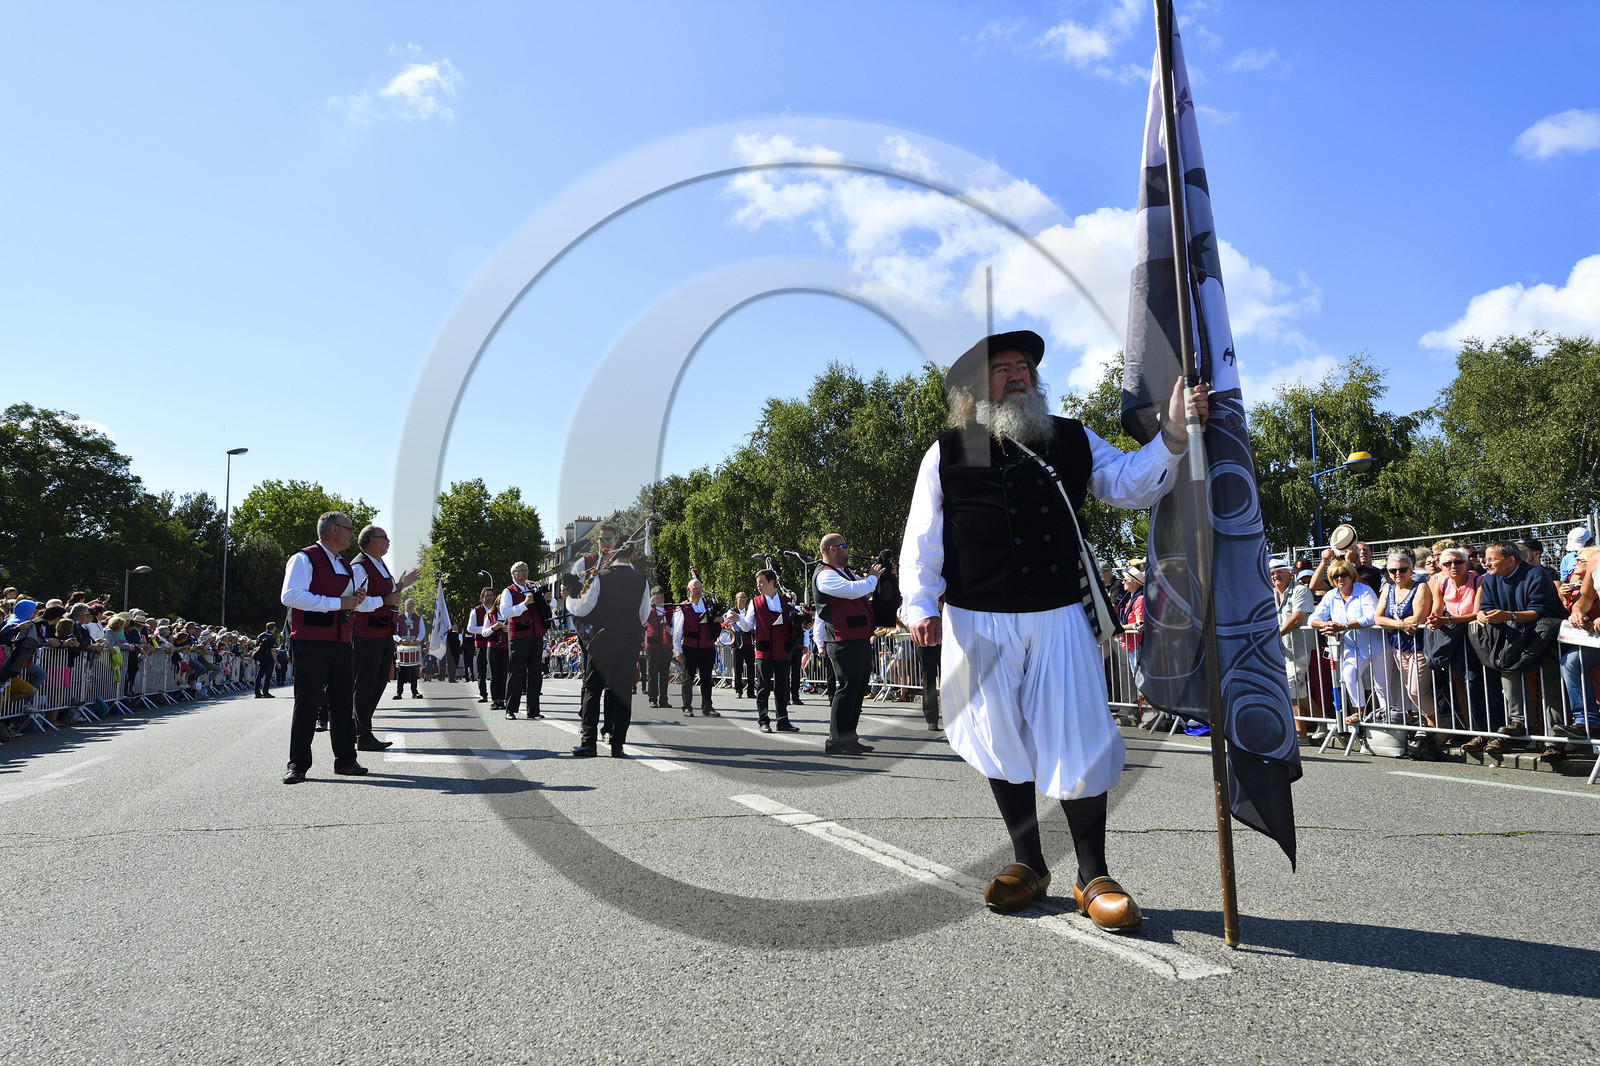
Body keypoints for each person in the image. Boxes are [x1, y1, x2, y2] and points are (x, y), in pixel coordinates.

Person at [899, 329, 1208, 930]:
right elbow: (922, 536)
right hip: (976, 617)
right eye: (1002, 368)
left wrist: (1173, 433)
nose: (1017, 374)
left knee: (1079, 734)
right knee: (998, 738)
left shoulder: (1070, 437)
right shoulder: (945, 451)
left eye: (1023, 366)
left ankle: (1093, 875)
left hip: (1059, 611)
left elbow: (1130, 483)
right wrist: (919, 606)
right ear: (975, 389)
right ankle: (1028, 863)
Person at [280, 511, 369, 784]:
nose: (353, 534)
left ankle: (346, 760)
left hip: (341, 641)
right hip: (310, 640)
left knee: (342, 703)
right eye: (349, 529)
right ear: (333, 530)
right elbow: (290, 596)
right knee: (307, 702)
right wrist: (338, 603)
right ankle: (298, 764)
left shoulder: (344, 564)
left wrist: (356, 599)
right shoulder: (304, 558)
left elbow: (346, 602)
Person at [1469, 541, 1565, 759]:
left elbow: (1541, 611)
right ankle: (1518, 723)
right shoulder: (1489, 579)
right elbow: (1486, 607)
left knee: (1550, 687)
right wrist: (1483, 615)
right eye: (1485, 559)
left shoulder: (1537, 574)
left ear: (1511, 559)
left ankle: (1555, 742)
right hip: (1514, 637)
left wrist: (1509, 615)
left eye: (1492, 559)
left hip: (1544, 638)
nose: (1486, 563)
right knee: (1508, 670)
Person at [563, 542, 650, 757]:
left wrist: (569, 597)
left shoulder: (600, 576)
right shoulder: (642, 579)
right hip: (629, 638)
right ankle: (617, 744)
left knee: (593, 689)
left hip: (604, 637)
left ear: (612, 554)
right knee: (622, 691)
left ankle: (588, 743)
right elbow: (643, 614)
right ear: (632, 554)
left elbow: (584, 607)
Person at [814, 533, 883, 755]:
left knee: (857, 689)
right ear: (832, 549)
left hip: (857, 637)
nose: (848, 549)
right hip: (842, 639)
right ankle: (835, 741)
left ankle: (850, 738)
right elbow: (853, 591)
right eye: (844, 545)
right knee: (846, 688)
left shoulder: (844, 571)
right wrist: (872, 578)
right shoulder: (825, 575)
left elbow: (860, 592)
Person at [351, 525, 420, 745]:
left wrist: (402, 585)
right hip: (365, 634)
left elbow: (389, 595)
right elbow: (357, 603)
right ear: (372, 540)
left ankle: (359, 728)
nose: (388, 541)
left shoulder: (379, 564)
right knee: (365, 684)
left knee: (379, 682)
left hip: (382, 633)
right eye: (384, 538)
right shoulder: (359, 567)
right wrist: (384, 600)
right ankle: (362, 734)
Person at [1371, 549, 1437, 750]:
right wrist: (1400, 624)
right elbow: (1377, 618)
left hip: (1419, 646)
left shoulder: (1421, 587)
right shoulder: (1388, 590)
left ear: (1411, 570)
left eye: (1402, 569)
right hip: (1398, 647)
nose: (1397, 573)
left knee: (1417, 691)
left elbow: (1418, 618)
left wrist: (1391, 623)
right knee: (1410, 691)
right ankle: (1431, 727)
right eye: (1393, 570)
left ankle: (1437, 727)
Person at [1309, 560, 1382, 725]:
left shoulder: (1365, 590)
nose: (1339, 579)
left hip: (1377, 645)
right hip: (1352, 646)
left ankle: (1390, 722)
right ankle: (1360, 713)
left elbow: (1371, 617)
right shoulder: (1331, 595)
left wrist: (1344, 626)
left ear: (1351, 576)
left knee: (1382, 686)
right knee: (1349, 674)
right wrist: (1325, 624)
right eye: (1335, 576)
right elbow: (1313, 618)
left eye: (1343, 574)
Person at [741, 569, 801, 733]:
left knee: (782, 687)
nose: (758, 585)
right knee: (764, 687)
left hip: (782, 650)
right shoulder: (755, 602)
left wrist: (802, 624)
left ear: (771, 582)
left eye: (761, 582)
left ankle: (783, 721)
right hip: (764, 650)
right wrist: (738, 619)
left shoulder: (785, 602)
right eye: (757, 582)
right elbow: (747, 626)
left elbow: (793, 624)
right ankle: (763, 720)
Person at [500, 562, 551, 721]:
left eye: (525, 570)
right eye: (520, 570)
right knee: (516, 672)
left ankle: (533, 710)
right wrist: (524, 604)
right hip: (519, 636)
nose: (524, 573)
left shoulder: (534, 588)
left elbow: (553, 603)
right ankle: (511, 708)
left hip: (536, 635)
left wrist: (546, 599)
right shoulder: (508, 591)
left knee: (535, 673)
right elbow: (505, 613)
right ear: (513, 574)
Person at [1270, 558, 1313, 740]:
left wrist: (1273, 635)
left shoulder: (1301, 591)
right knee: (1297, 691)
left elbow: (1296, 619)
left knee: (1291, 688)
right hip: (1280, 651)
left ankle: (1301, 734)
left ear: (1290, 573)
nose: (1275, 576)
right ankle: (1321, 721)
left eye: (1279, 572)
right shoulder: (1271, 594)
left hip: (1299, 649)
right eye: (1272, 573)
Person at [672, 579, 720, 717]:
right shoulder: (682, 607)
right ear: (689, 590)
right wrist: (677, 650)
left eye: (700, 588)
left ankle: (707, 707)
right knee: (688, 678)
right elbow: (677, 630)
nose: (698, 591)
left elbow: (720, 618)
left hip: (707, 646)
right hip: (690, 647)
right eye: (695, 588)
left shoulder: (709, 604)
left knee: (707, 678)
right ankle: (687, 706)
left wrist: (719, 619)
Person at [466, 587, 500, 706]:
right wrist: (486, 629)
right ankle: (483, 694)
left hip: (496, 643)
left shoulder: (498, 610)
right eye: (487, 595)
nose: (489, 597)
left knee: (496, 670)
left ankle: (497, 695)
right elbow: (470, 628)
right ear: (482, 598)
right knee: (481, 670)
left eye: (491, 595)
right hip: (481, 644)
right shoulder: (476, 611)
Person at [643, 587, 674, 708]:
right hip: (653, 644)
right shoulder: (648, 609)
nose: (661, 599)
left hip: (666, 645)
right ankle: (653, 698)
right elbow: (642, 615)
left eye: (662, 596)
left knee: (665, 673)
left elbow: (675, 625)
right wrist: (650, 602)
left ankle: (664, 699)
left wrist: (670, 630)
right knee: (653, 672)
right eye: (658, 597)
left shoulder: (668, 610)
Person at [392, 598, 426, 700]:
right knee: (401, 670)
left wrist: (417, 640)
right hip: (402, 647)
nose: (410, 605)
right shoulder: (399, 617)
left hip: (414, 646)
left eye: (412, 603)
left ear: (414, 606)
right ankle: (399, 692)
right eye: (408, 603)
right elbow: (394, 631)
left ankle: (415, 692)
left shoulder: (418, 617)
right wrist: (400, 640)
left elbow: (422, 631)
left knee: (414, 670)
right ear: (404, 605)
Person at [727, 592, 755, 699]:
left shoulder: (750, 611)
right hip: (738, 643)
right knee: (738, 668)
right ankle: (738, 690)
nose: (743, 599)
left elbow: (752, 624)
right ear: (736, 599)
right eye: (740, 597)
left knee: (751, 668)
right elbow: (730, 624)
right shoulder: (732, 611)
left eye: (744, 597)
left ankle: (751, 691)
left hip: (749, 642)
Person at [253, 622, 279, 698]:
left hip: (261, 657)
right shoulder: (271, 637)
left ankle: (257, 692)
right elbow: (273, 650)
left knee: (259, 675)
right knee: (268, 675)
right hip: (268, 657)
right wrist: (276, 661)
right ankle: (265, 692)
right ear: (273, 629)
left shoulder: (260, 636)